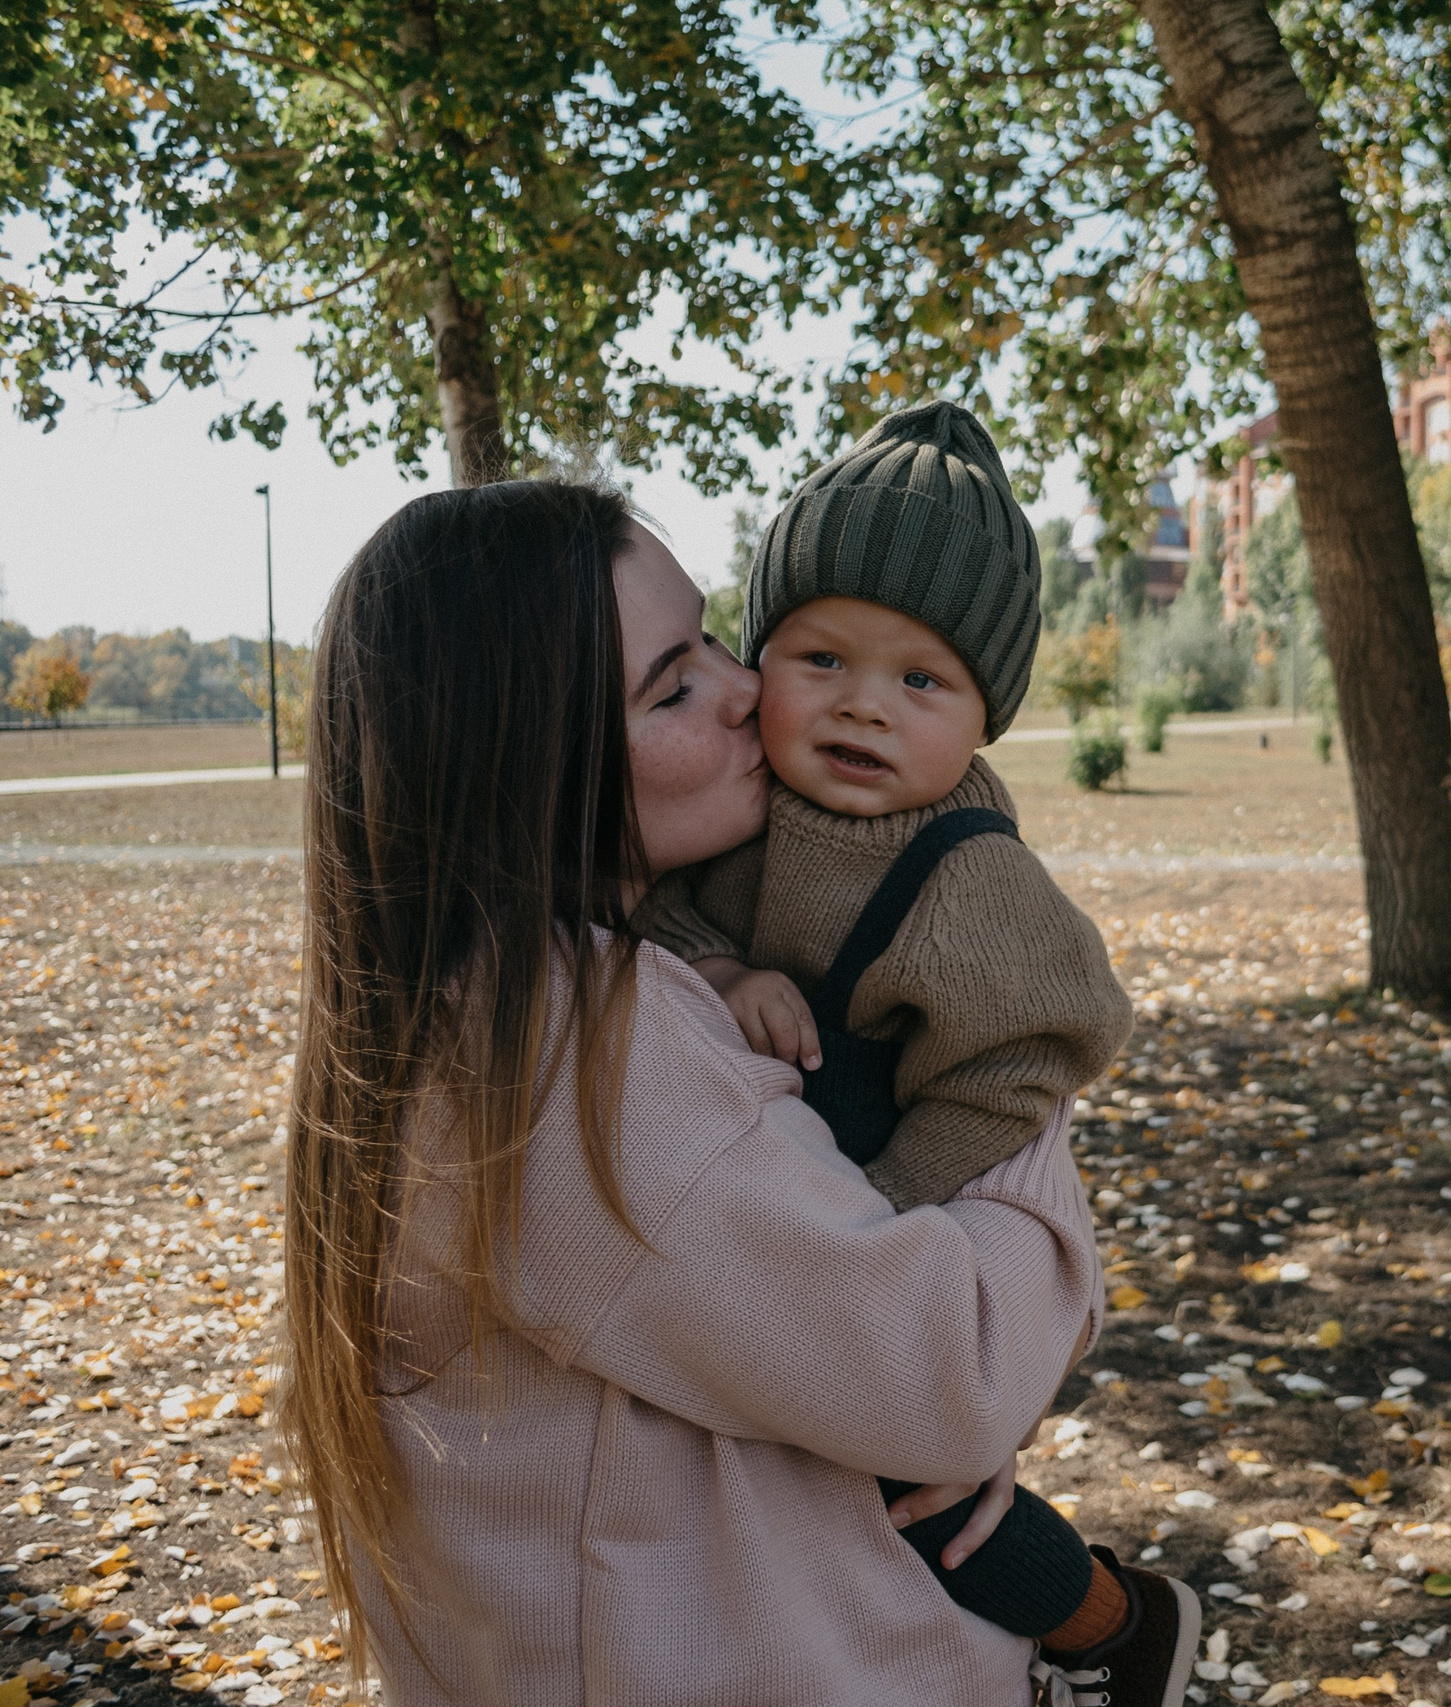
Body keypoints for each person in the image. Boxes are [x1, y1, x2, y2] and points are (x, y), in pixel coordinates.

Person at [282, 481, 1118, 1704]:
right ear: (525, 767)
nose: (744, 689)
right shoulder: (576, 1059)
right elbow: (959, 1373)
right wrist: (1016, 1065)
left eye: (718, 640)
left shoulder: (465, 1007)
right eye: (671, 688)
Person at [634, 401, 1195, 1703]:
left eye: (920, 681)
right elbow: (651, 907)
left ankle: (1113, 1628)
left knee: (938, 1503)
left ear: (986, 716)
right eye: (821, 657)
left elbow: (1034, 1054)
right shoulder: (741, 806)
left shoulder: (969, 875)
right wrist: (719, 967)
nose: (861, 705)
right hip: (793, 1220)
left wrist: (891, 1221)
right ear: (760, 659)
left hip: (912, 1207)